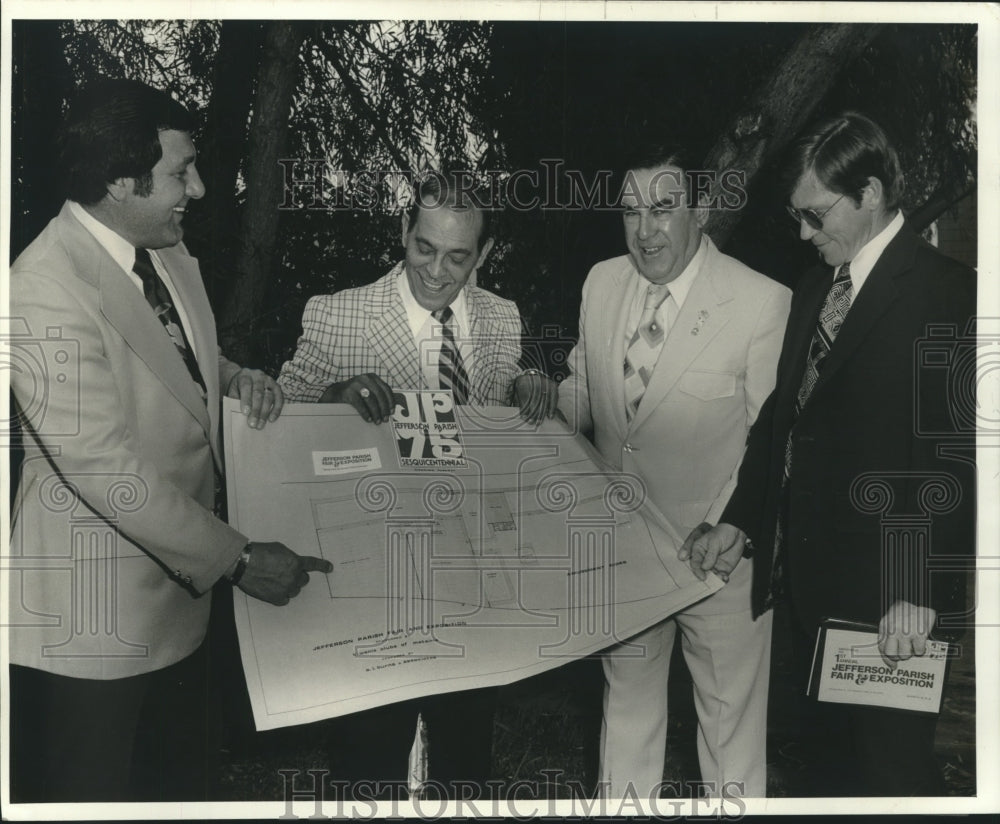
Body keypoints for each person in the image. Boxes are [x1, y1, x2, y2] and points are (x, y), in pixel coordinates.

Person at [7, 78, 332, 803]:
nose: (202, 189)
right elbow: (102, 469)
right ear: (121, 180)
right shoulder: (39, 288)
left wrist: (232, 376)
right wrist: (239, 558)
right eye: (181, 172)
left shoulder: (164, 251)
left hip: (179, 611)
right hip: (92, 629)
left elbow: (171, 355)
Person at [681, 111, 975, 796]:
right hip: (815, 600)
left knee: (893, 782)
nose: (805, 234)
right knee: (836, 781)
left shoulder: (951, 294)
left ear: (868, 192)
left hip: (896, 610)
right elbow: (782, 424)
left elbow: (960, 463)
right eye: (798, 219)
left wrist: (917, 592)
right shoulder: (816, 288)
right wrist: (741, 518)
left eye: (817, 216)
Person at [278, 173, 558, 795]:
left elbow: (497, 415)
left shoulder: (502, 319)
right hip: (375, 576)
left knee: (464, 755)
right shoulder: (337, 313)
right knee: (372, 754)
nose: (436, 270)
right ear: (404, 232)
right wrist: (333, 399)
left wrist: (523, 391)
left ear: (482, 256)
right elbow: (282, 420)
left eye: (458, 257)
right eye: (423, 248)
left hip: (471, 574)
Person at [557, 142, 791, 799]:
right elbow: (583, 388)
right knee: (625, 718)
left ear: (703, 209)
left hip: (718, 555)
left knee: (730, 737)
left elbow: (770, 437)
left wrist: (730, 525)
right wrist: (540, 404)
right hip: (625, 552)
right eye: (631, 211)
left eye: (664, 208)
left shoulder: (760, 301)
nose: (645, 229)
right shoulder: (602, 282)